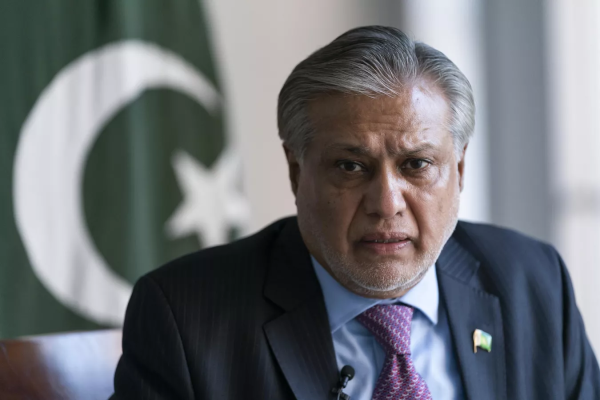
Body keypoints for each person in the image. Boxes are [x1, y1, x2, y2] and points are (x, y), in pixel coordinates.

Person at [110, 26, 600, 400]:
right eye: (350, 166)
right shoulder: (186, 316)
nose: (386, 203)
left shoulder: (532, 281)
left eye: (417, 165)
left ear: (459, 170)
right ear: (296, 172)